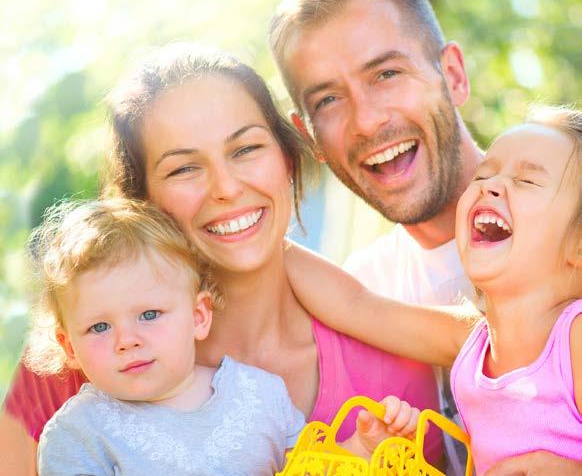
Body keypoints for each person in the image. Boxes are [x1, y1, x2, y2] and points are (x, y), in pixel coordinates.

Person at [0, 43, 442, 475]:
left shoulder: (389, 379)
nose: (226, 188)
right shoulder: (76, 355)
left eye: (246, 149)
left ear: (287, 159)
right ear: (141, 203)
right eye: (183, 168)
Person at [268, 0, 581, 474]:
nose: (367, 119)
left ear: (453, 75)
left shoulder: (564, 249)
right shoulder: (370, 292)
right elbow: (354, 305)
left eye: (386, 74)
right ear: (310, 139)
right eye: (329, 99)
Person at [284, 106, 582, 475]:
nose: (489, 185)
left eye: (527, 181)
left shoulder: (573, 340)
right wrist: (259, 236)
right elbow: (356, 306)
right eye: (483, 174)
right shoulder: (472, 339)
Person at [30, 197, 417, 475]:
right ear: (70, 347)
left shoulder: (259, 394)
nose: (126, 340)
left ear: (198, 316)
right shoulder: (79, 433)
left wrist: (362, 449)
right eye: (99, 327)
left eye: (149, 315)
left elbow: (308, 469)